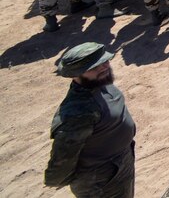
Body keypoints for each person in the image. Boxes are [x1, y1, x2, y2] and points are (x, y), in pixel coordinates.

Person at [44, 43, 136, 197]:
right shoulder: (78, 112)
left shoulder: (99, 82)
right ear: (75, 74)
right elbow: (63, 157)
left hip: (121, 161)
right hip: (101, 179)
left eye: (105, 61)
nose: (104, 67)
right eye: (95, 67)